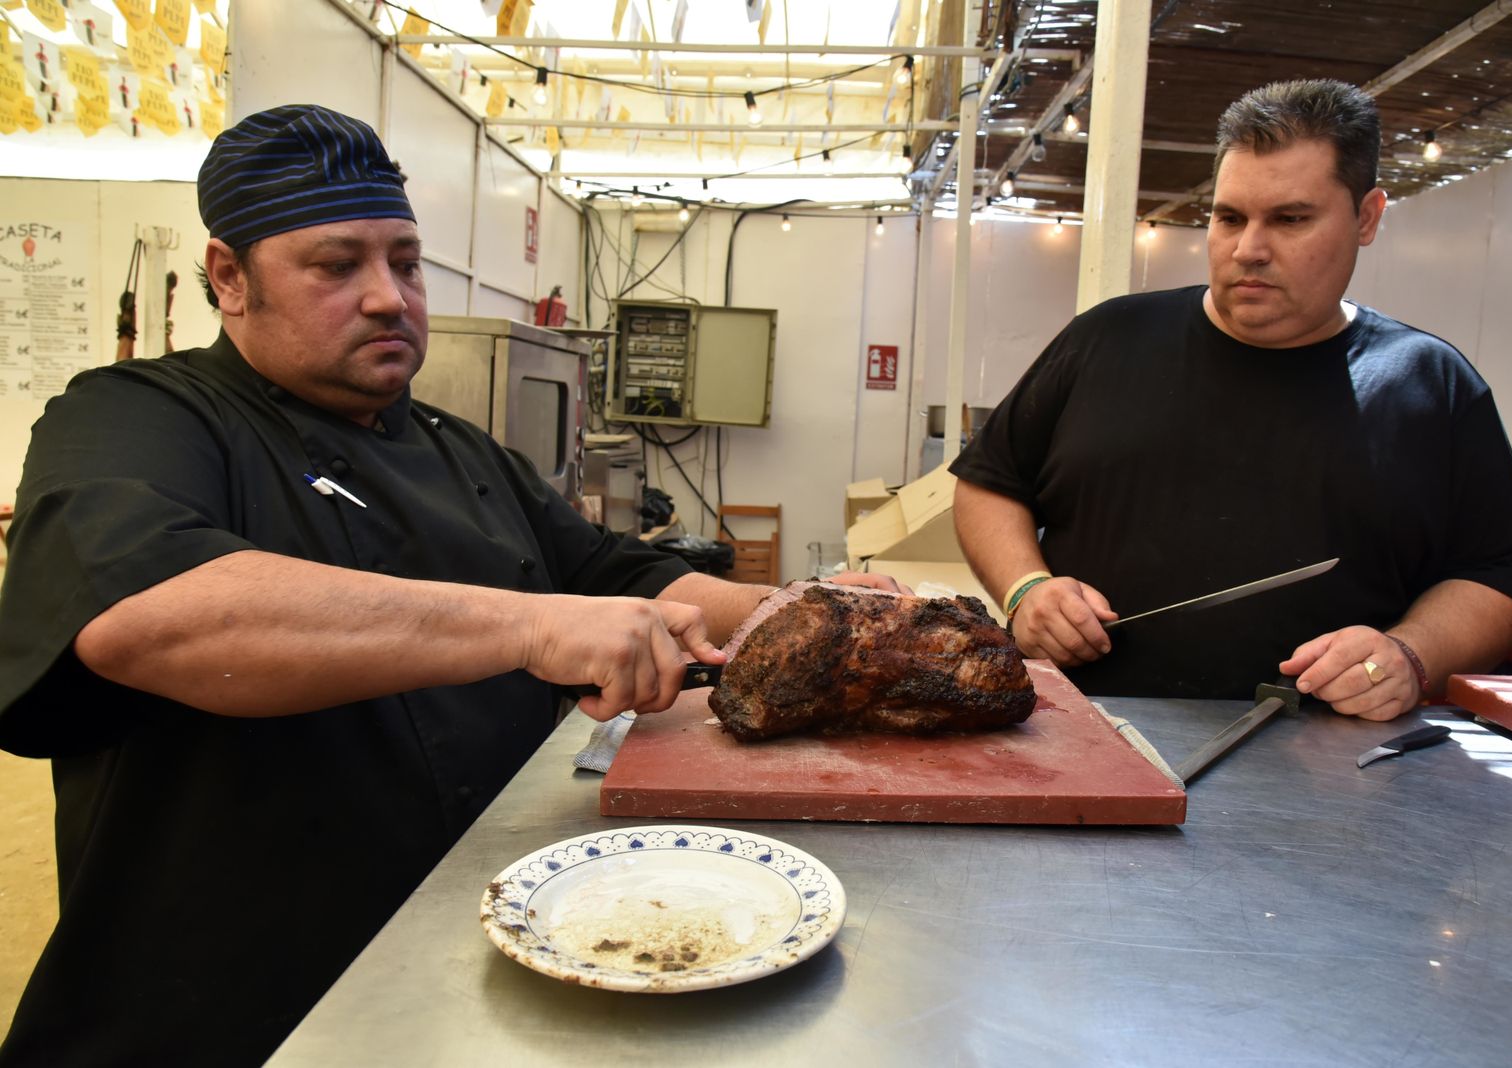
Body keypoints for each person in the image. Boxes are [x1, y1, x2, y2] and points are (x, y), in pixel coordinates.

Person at [0, 104, 903, 1066]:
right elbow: (149, 614)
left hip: (475, 969)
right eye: (337, 266)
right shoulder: (138, 416)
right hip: (230, 1005)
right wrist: (532, 629)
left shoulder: (457, 446)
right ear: (230, 277)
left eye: (406, 261)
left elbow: (620, 575)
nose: (390, 297)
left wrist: (821, 612)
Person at [950, 79, 1512, 721]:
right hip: (1079, 735)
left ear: (1367, 217)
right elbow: (989, 483)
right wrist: (1027, 588)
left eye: (1290, 219)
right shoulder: (1107, 338)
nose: (1248, 250)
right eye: (1229, 217)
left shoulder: (1427, 381)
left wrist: (1409, 654)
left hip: (1327, 767)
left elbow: (1503, 567)